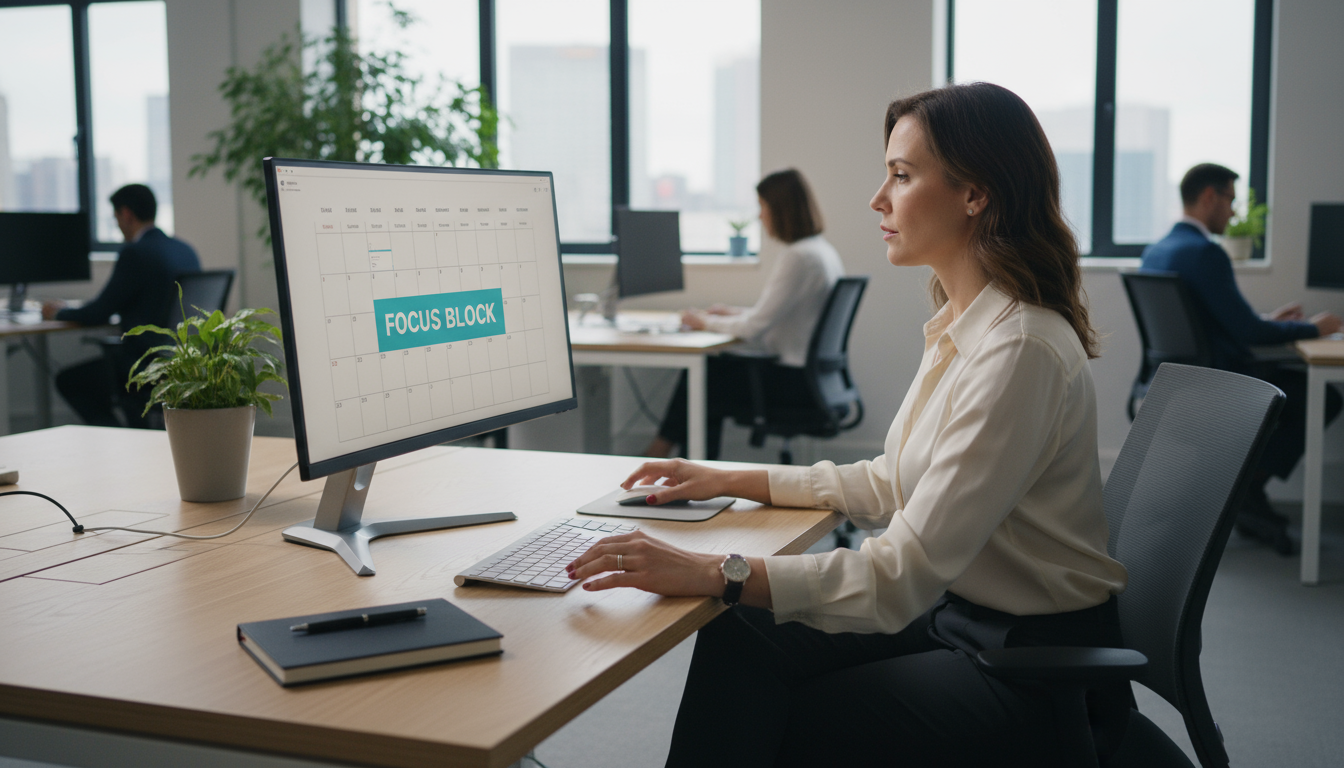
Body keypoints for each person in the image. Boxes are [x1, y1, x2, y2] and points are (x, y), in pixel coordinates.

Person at [568, 83, 1129, 767]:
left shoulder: (1018, 351)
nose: (877, 199)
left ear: (974, 194)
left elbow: (899, 580)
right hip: (962, 613)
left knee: (800, 711)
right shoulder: (965, 324)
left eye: (901, 174)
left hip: (1026, 662)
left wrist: (716, 570)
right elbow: (889, 480)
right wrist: (726, 476)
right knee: (742, 633)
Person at [1140, 163, 1343, 555]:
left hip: (1176, 385)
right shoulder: (1205, 253)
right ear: (1209, 197)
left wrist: (1268, 321)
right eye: (1230, 201)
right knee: (1325, 398)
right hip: (1219, 384)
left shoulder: (1159, 249)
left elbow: (1215, 323)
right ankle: (1247, 487)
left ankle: (1245, 488)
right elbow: (1247, 334)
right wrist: (1314, 328)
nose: (1233, 213)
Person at [645, 169, 844, 459]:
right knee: (711, 376)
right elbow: (781, 314)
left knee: (706, 378)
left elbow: (754, 328)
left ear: (780, 210)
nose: (760, 217)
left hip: (792, 384)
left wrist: (703, 322)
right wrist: (731, 313)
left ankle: (661, 454)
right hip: (811, 379)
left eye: (763, 207)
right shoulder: (819, 251)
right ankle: (674, 460)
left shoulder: (798, 257)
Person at [43, 184, 202, 428]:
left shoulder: (135, 254)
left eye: (116, 217)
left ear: (126, 214)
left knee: (69, 381)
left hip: (144, 367)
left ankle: (123, 438)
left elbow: (98, 312)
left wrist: (58, 312)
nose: (117, 225)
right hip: (181, 364)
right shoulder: (185, 250)